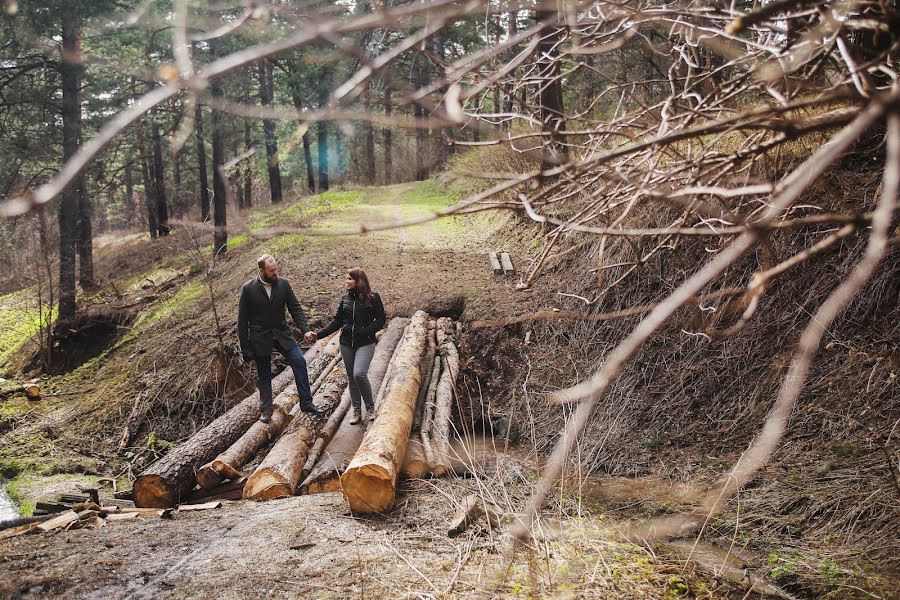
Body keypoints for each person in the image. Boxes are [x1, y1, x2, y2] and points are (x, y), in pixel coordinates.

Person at [238, 254, 326, 423]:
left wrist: (306, 330)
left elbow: (295, 308)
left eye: (276, 269)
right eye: (271, 271)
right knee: (264, 375)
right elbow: (242, 321)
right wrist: (245, 348)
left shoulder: (284, 284)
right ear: (261, 270)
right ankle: (266, 410)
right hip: (260, 337)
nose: (275, 273)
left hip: (282, 333)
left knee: (299, 362)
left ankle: (306, 403)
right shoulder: (248, 289)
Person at [313, 268, 386, 425]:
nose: (346, 281)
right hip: (346, 343)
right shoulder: (345, 299)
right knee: (352, 378)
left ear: (359, 281)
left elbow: (381, 319)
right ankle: (356, 411)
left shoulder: (373, 298)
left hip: (365, 342)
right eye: (346, 278)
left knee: (359, 373)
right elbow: (337, 321)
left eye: (349, 279)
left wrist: (366, 331)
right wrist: (318, 335)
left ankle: (370, 408)